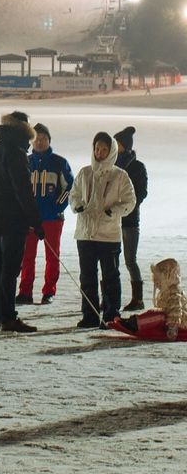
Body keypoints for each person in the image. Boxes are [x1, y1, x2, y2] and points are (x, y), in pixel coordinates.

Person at [0, 111, 45, 333]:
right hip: (12, 222)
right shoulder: (16, 154)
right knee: (9, 270)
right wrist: (36, 222)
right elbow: (23, 191)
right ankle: (8, 317)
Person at [69, 132, 136, 328]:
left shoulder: (119, 175)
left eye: (104, 149)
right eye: (97, 149)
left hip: (108, 236)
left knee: (111, 277)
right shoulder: (84, 173)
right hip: (85, 234)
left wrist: (113, 212)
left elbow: (129, 201)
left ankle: (111, 315)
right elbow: (73, 195)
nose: (99, 153)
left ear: (111, 151)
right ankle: (89, 315)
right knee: (87, 277)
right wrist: (77, 206)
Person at [16, 123, 74, 305]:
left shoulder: (59, 162)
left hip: (52, 218)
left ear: (49, 140)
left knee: (52, 256)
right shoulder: (25, 161)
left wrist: (58, 208)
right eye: (36, 139)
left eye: (43, 139)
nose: (39, 142)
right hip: (29, 218)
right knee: (27, 256)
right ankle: (25, 291)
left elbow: (70, 187)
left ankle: (49, 291)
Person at [114, 126, 148, 311]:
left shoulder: (136, 166)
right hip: (111, 221)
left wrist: (126, 206)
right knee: (109, 260)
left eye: (116, 143)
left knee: (129, 260)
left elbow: (141, 193)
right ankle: (110, 298)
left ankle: (138, 298)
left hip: (129, 221)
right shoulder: (111, 166)